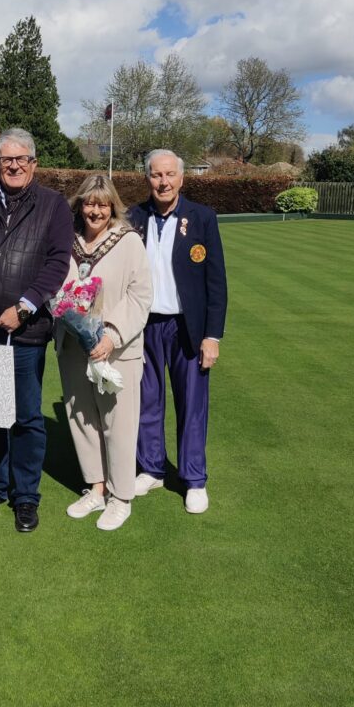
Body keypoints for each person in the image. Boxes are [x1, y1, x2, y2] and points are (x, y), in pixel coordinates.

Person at [0, 128, 73, 532]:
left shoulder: (54, 206)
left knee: (25, 417)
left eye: (22, 159)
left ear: (34, 163)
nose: (15, 165)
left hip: (24, 331)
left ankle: (25, 496)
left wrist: (23, 307)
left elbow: (58, 263)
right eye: (6, 160)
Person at [127, 149, 227, 514]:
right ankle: (151, 468)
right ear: (147, 178)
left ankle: (194, 479)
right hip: (144, 326)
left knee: (191, 406)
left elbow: (216, 283)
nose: (163, 182)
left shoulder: (202, 218)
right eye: (156, 175)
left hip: (187, 327)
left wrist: (212, 336)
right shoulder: (133, 217)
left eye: (169, 174)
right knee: (147, 402)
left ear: (182, 178)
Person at [56, 175, 152, 531]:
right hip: (73, 348)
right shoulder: (68, 240)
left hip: (116, 350)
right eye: (89, 203)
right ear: (80, 205)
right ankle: (95, 488)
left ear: (112, 206)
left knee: (118, 424)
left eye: (102, 204)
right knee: (82, 420)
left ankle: (121, 496)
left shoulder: (128, 242)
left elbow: (140, 296)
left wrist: (110, 336)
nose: (95, 210)